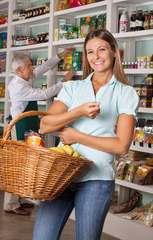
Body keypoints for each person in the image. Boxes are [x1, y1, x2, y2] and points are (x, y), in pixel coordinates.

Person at [33, 28, 139, 240]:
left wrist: (77, 136)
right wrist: (78, 111)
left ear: (114, 52)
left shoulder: (125, 93)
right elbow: (45, 125)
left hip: (96, 180)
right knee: (42, 237)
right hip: (60, 175)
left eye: (101, 50)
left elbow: (121, 146)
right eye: (90, 52)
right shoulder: (72, 87)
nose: (96, 57)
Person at [4, 49, 77, 216]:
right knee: (18, 165)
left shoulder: (25, 78)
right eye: (29, 66)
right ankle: (10, 204)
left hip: (28, 125)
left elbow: (43, 68)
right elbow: (44, 94)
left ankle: (20, 199)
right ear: (20, 70)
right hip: (19, 126)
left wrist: (60, 55)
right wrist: (64, 82)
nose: (32, 68)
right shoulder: (17, 86)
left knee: (26, 164)